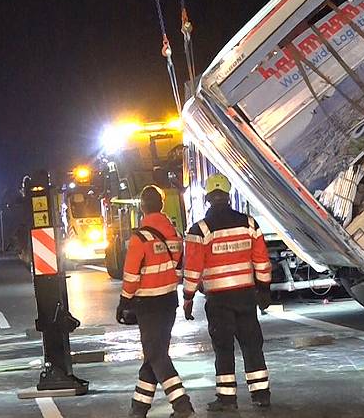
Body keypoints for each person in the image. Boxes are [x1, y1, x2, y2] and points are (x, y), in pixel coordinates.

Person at [183, 174, 272, 411]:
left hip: (218, 299)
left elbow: (193, 269)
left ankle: (227, 398)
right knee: (252, 345)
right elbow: (262, 262)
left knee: (223, 348)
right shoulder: (249, 224)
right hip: (246, 296)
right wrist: (264, 290)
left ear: (207, 198)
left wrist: (188, 298)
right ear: (229, 196)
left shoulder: (200, 230)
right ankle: (261, 395)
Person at [116, 185, 195, 418]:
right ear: (161, 206)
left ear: (142, 207)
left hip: (148, 305)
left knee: (157, 355)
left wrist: (124, 302)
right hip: (169, 302)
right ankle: (139, 408)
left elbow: (131, 276)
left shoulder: (140, 238)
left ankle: (182, 405)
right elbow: (178, 267)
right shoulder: (175, 235)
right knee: (155, 353)